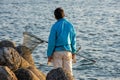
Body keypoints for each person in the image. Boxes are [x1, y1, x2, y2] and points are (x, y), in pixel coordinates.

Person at [47, 7, 76, 76]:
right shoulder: (70, 25)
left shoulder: (54, 26)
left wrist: (49, 54)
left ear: (55, 16)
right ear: (64, 15)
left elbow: (51, 42)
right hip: (67, 52)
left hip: (57, 52)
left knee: (58, 74)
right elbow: (73, 40)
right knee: (69, 73)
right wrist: (74, 52)